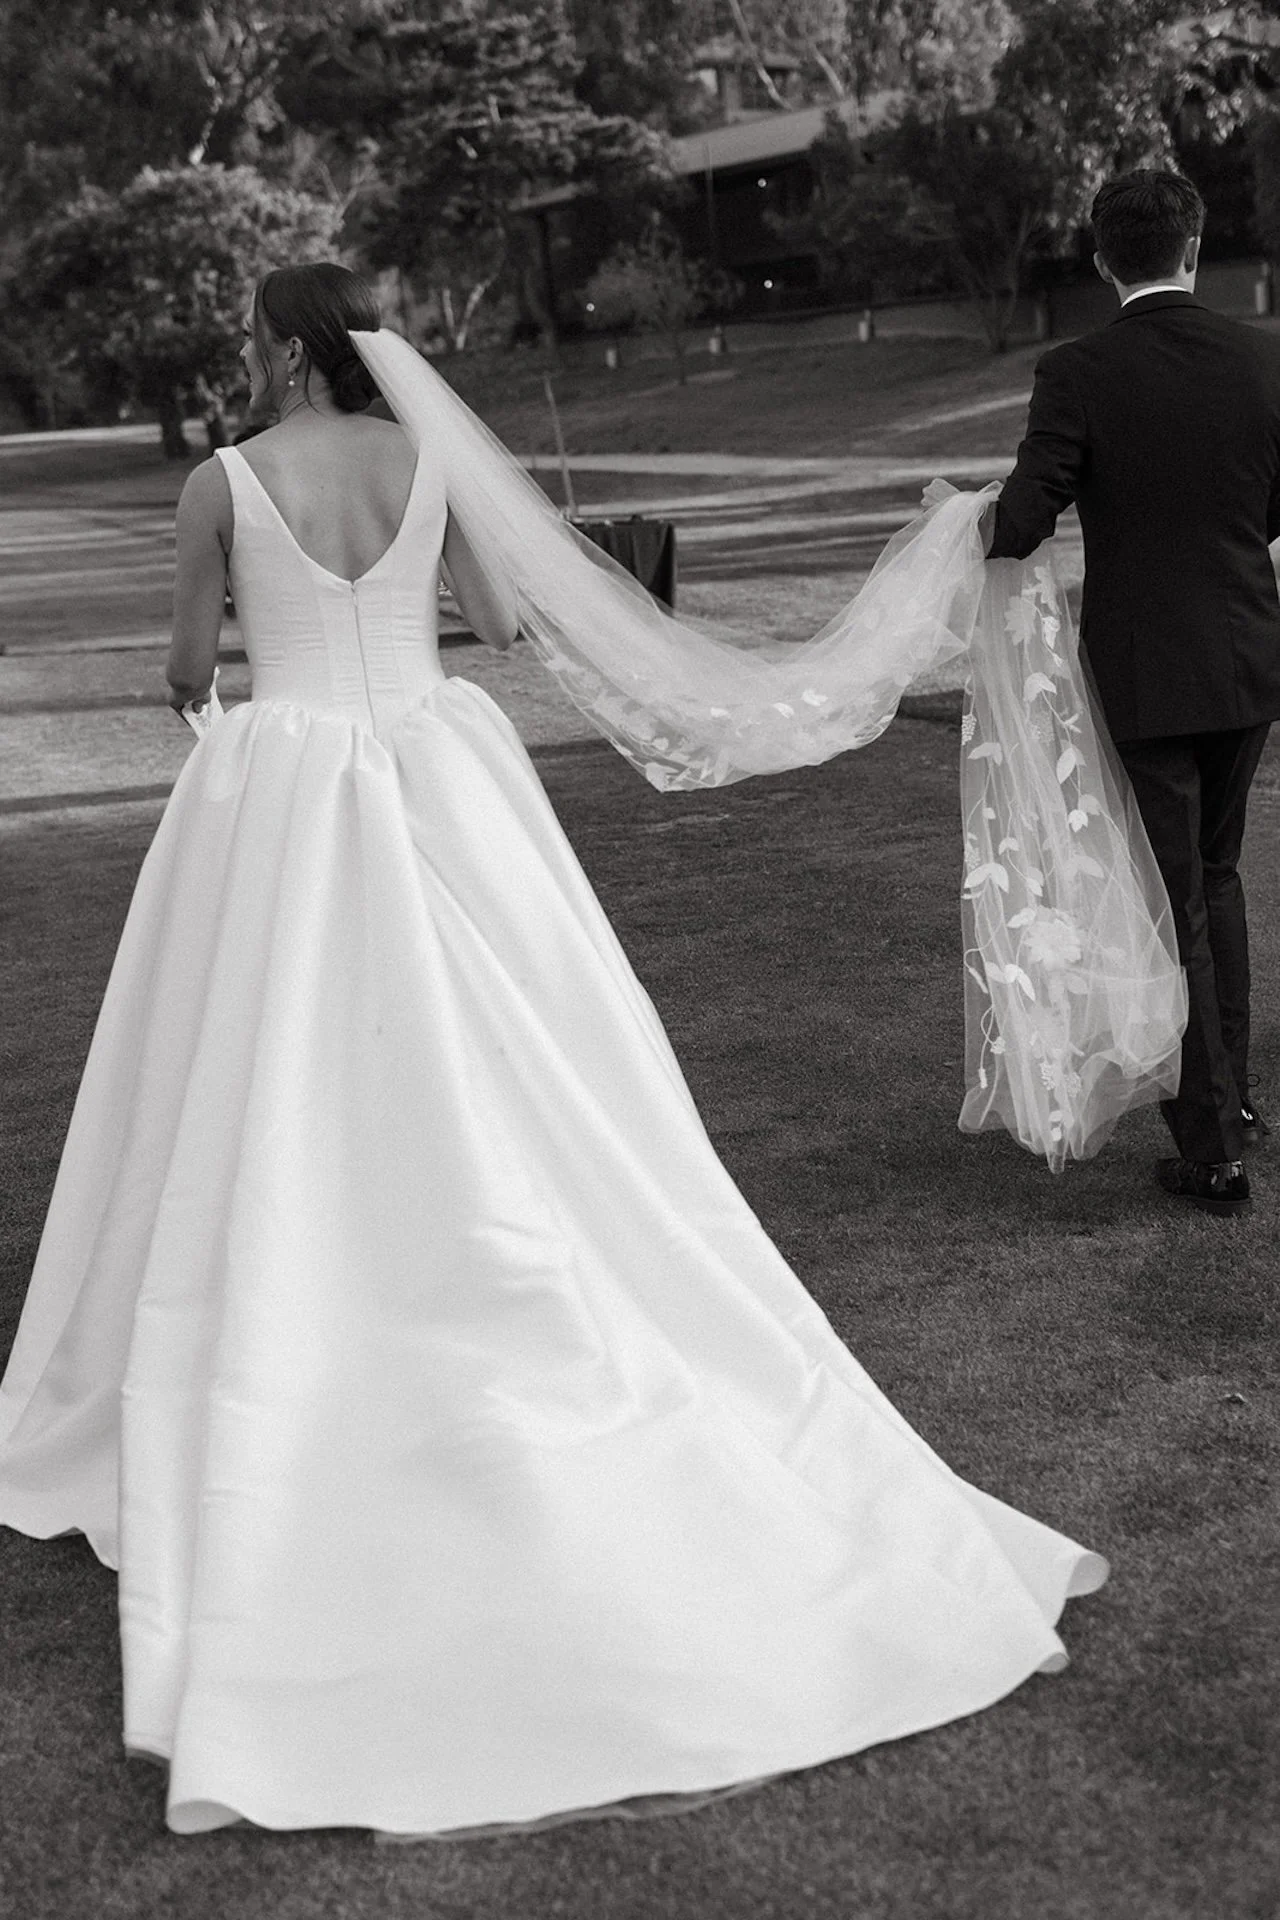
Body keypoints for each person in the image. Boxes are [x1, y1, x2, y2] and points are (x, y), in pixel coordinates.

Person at [0, 263, 1110, 1839]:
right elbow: (503, 621)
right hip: (438, 767)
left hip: (294, 787)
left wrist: (247, 671)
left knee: (272, 1068)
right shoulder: (434, 462)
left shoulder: (220, 480)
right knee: (529, 1049)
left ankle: (314, 1285)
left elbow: (191, 672)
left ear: (274, 347)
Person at [984, 169, 1280, 1217]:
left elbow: (1020, 521)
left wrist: (957, 512)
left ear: (1102, 257)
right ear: (1193, 247)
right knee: (1215, 876)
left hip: (1145, 668)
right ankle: (1228, 1106)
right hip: (1247, 655)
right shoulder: (1263, 354)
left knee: (1176, 897)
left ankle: (1209, 1147)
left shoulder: (1077, 370)